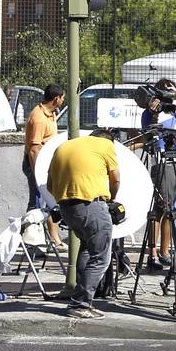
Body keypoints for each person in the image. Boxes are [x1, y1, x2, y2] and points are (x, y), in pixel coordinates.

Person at [47, 129, 120, 319]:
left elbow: (49, 185)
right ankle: (80, 304)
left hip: (67, 208)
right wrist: (111, 199)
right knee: (101, 257)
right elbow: (116, 178)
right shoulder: (106, 144)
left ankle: (81, 300)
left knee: (87, 249)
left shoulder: (63, 146)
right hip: (91, 205)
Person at [136, 79, 176, 271]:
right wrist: (154, 112)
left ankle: (165, 252)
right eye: (164, 92)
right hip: (161, 162)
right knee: (160, 209)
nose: (167, 96)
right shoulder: (148, 114)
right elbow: (150, 133)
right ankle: (154, 253)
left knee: (171, 210)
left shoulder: (174, 112)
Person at [23, 83, 64, 244]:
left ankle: (54, 238)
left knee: (49, 201)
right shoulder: (39, 118)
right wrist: (37, 174)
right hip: (36, 164)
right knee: (36, 202)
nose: (62, 101)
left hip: (46, 164)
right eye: (62, 98)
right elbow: (34, 149)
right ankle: (31, 241)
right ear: (56, 99)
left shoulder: (51, 113)